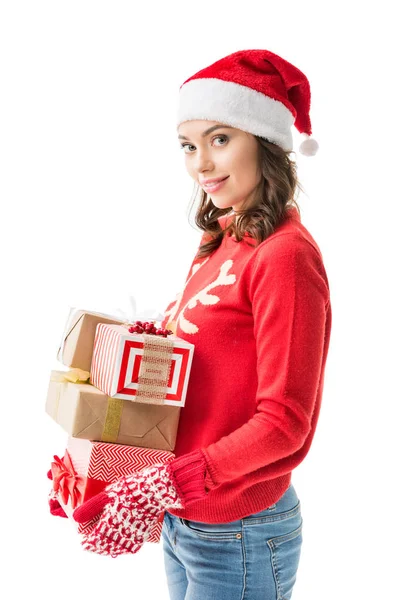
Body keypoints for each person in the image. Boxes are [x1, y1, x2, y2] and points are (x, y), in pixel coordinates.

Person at [53, 48, 332, 600]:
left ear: (266, 141)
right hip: (185, 517)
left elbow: (284, 422)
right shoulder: (220, 240)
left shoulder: (285, 256)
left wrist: (166, 482)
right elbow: (186, 383)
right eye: (188, 145)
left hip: (241, 529)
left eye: (220, 139)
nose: (200, 163)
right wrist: (101, 460)